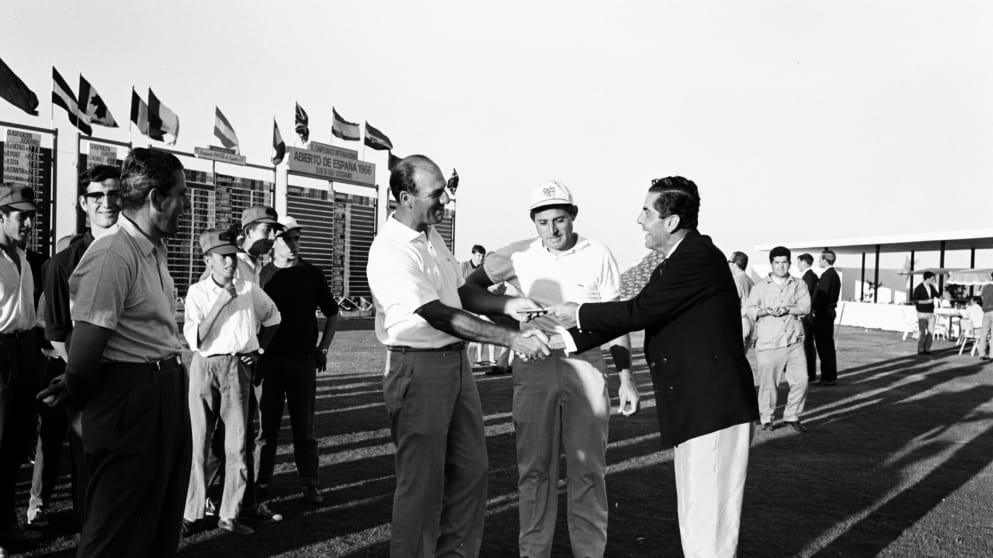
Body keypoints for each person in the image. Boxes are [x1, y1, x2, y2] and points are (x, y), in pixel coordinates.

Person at [545, 176, 758, 558]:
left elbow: (639, 311)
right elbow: (639, 313)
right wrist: (560, 340)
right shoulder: (677, 261)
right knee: (696, 517)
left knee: (708, 526)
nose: (639, 220)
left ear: (671, 221)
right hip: (697, 409)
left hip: (714, 408)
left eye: (646, 212)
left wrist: (578, 311)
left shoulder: (696, 258)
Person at [366, 154, 551, 558]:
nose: (446, 200)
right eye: (437, 194)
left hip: (455, 365)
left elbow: (460, 294)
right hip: (418, 368)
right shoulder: (391, 250)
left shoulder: (431, 237)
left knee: (471, 470)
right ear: (406, 198)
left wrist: (508, 306)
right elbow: (440, 314)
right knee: (422, 486)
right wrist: (512, 340)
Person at [466, 180, 640, 558]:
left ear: (573, 215)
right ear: (533, 221)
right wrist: (508, 314)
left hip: (586, 364)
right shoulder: (518, 254)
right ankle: (533, 553)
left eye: (559, 220)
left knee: (588, 469)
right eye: (543, 222)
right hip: (534, 365)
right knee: (534, 468)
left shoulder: (598, 253)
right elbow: (469, 291)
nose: (552, 230)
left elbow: (616, 320)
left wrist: (626, 378)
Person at [64, 148, 191, 557]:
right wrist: (92, 404)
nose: (186, 205)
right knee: (115, 537)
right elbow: (84, 357)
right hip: (133, 402)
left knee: (157, 529)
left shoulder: (152, 250)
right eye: (180, 195)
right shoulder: (112, 255)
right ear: (155, 199)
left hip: (162, 392)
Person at [31, 166, 122, 531]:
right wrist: (83, 371)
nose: (106, 202)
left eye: (114, 193)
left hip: (136, 381)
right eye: (97, 195)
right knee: (90, 469)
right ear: (83, 203)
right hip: (90, 383)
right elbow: (57, 333)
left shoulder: (143, 250)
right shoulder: (61, 264)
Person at [183, 229, 281, 535]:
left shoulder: (248, 288)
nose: (229, 262)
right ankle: (192, 513)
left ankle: (230, 515)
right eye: (222, 256)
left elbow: (274, 317)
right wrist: (221, 302)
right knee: (198, 443)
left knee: (237, 445)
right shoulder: (197, 292)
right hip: (205, 367)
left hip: (237, 368)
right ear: (208, 261)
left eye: (232, 256)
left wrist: (259, 350)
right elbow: (196, 339)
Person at [255, 215, 337, 505]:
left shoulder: (312, 274)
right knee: (266, 430)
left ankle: (310, 484)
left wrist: (322, 349)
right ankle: (260, 483)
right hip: (268, 362)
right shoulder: (261, 275)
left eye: (296, 239)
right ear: (273, 243)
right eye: (286, 239)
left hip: (302, 361)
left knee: (305, 429)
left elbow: (332, 312)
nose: (292, 244)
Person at [0, 183, 42, 549]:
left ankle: (6, 527)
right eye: (21, 216)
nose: (28, 224)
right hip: (2, 352)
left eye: (31, 217)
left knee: (15, 446)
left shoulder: (23, 256)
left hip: (25, 350)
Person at [745, 246, 810, 432]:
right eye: (777, 262)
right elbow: (750, 309)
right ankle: (766, 418)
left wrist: (788, 308)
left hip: (793, 341)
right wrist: (765, 311)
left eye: (784, 262)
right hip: (769, 342)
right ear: (771, 264)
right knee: (768, 386)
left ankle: (792, 416)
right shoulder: (759, 287)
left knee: (802, 381)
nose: (781, 266)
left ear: (790, 263)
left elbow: (805, 307)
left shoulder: (799, 284)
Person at [812, 249, 840, 385]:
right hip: (828, 313)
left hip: (823, 314)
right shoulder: (834, 275)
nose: (819, 261)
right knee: (827, 345)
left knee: (824, 346)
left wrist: (813, 308)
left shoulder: (827, 275)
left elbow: (822, 296)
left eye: (820, 259)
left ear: (824, 260)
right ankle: (829, 376)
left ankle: (827, 377)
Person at [797, 253, 819, 382]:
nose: (798, 265)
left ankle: (809, 373)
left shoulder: (807, 278)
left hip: (807, 315)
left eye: (798, 262)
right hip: (810, 314)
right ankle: (810, 373)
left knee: (807, 344)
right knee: (809, 343)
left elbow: (805, 297)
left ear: (804, 262)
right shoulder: (813, 276)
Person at [912, 271, 942, 356]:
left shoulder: (932, 287)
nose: (933, 280)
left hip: (931, 313)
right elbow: (915, 301)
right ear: (927, 279)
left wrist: (939, 294)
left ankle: (927, 348)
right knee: (922, 332)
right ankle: (920, 349)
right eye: (932, 279)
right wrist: (926, 301)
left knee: (931, 332)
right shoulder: (918, 288)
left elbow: (937, 295)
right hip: (922, 313)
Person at [729, 251, 754, 348]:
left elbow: (733, 303)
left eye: (729, 261)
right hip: (750, 322)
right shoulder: (749, 279)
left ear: (735, 264)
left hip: (741, 322)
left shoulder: (736, 279)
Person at [974, 273, 993, 360]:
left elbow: (978, 295)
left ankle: (982, 353)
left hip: (986, 312)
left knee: (984, 333)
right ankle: (992, 355)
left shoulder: (985, 287)